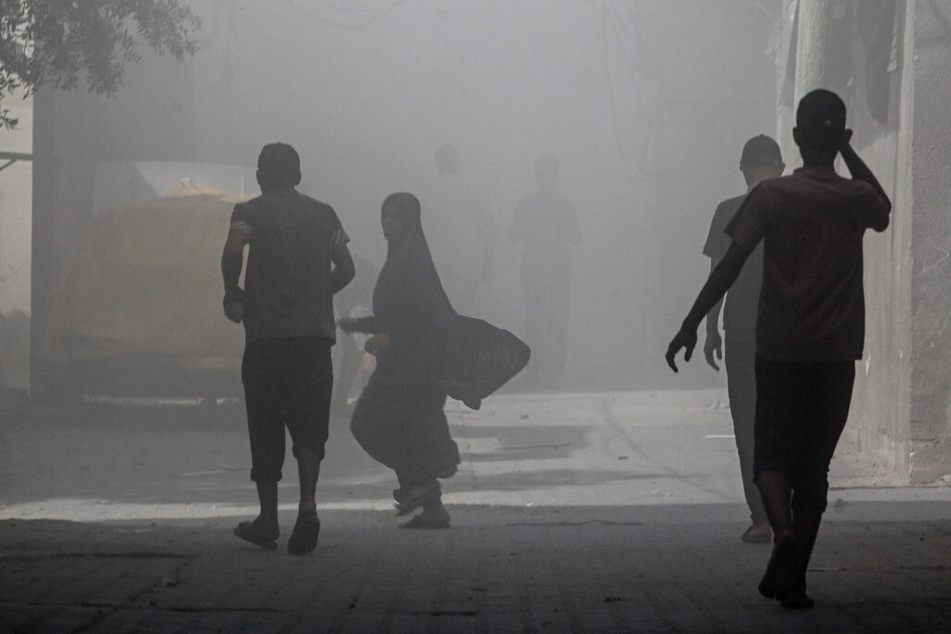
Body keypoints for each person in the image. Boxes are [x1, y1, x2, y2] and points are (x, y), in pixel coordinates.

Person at [665, 89, 891, 608]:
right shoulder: (851, 197)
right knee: (815, 466)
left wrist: (692, 322)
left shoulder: (768, 199)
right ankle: (796, 578)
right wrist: (849, 152)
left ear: (795, 140)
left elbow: (727, 265)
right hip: (835, 352)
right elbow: (882, 208)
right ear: (836, 139)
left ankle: (779, 530)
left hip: (778, 347)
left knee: (767, 449)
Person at [340, 192, 529, 530]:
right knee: (403, 431)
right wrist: (362, 325)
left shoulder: (411, 259)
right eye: (385, 215)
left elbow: (423, 316)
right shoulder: (401, 256)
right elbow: (397, 314)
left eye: (396, 216)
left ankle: (420, 485)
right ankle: (429, 503)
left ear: (410, 220)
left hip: (411, 367)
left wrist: (392, 337)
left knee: (368, 424)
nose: (388, 222)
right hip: (400, 366)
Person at [221, 142, 355, 555]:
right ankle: (309, 506)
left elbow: (232, 251)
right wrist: (316, 295)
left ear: (261, 177)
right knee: (310, 424)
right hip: (313, 338)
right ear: (298, 177)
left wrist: (233, 294)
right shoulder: (324, 213)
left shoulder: (248, 212)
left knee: (265, 424)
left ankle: (267, 519)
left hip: (266, 339)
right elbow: (346, 269)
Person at [702, 135, 785, 545]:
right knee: (784, 420)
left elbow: (719, 274)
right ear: (781, 168)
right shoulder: (797, 210)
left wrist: (707, 327)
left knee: (748, 421)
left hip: (741, 331)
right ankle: (784, 511)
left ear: (744, 170)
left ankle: (763, 517)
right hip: (788, 331)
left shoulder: (727, 211)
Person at [509, 155, 580, 388]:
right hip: (558, 269)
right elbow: (576, 237)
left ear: (537, 176)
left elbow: (513, 235)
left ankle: (536, 368)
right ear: (557, 176)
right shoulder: (566, 205)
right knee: (557, 319)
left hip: (534, 270)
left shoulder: (526, 204)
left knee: (535, 320)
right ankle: (555, 369)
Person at [424, 143, 496, 315]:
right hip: (472, 260)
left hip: (442, 260)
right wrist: (487, 262)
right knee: (464, 313)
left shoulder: (432, 189)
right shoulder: (474, 188)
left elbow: (424, 228)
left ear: (439, 163)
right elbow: (491, 229)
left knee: (445, 312)